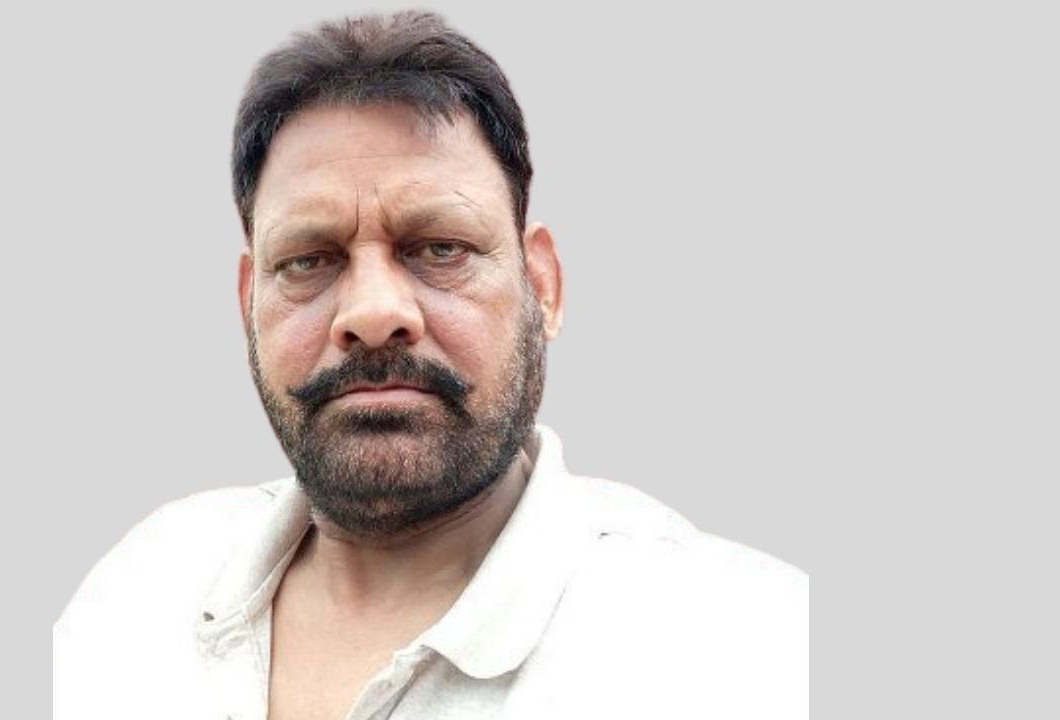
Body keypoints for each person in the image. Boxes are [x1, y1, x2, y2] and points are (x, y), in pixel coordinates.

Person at [53, 10, 808, 719]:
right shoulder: (133, 595)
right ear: (249, 300)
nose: (372, 313)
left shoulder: (744, 648)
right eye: (309, 260)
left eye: (440, 248)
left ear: (543, 286)